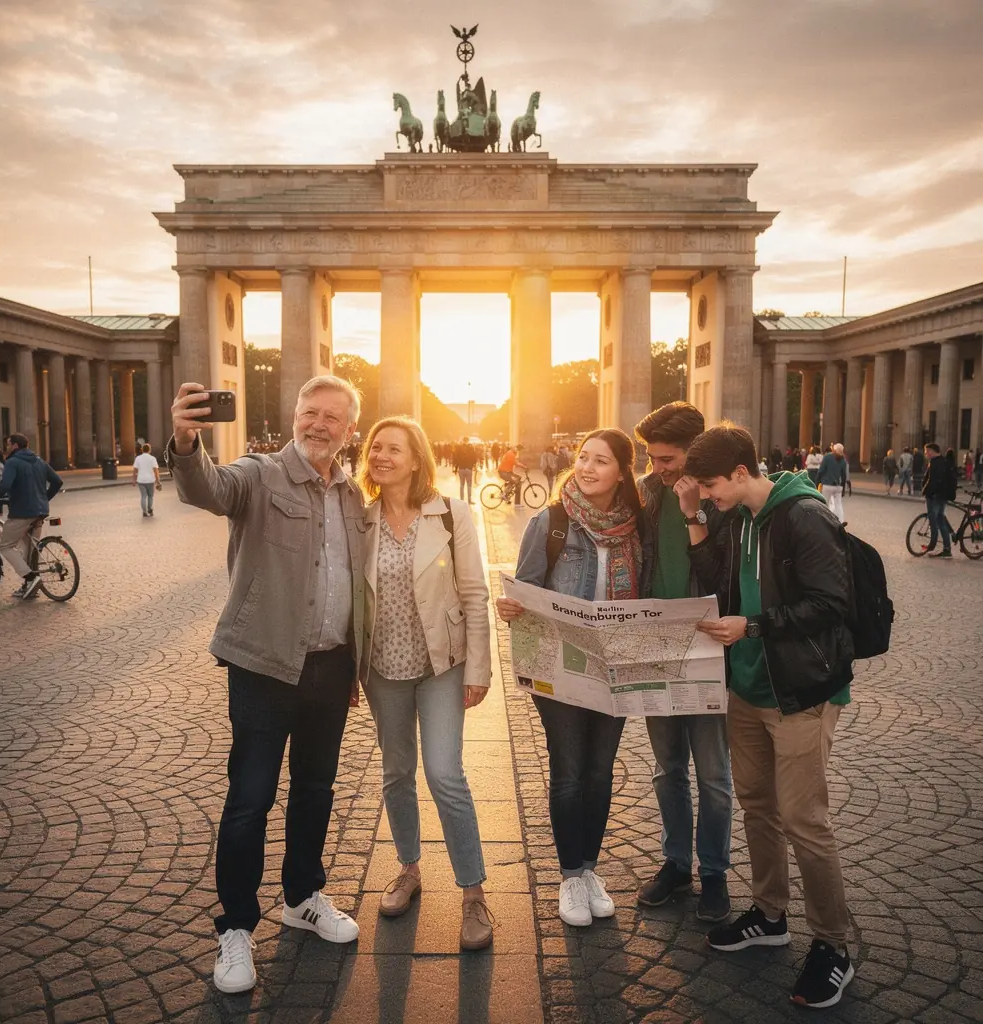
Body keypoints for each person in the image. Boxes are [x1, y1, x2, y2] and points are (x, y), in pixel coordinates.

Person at [167, 376, 366, 995]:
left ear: (349, 429)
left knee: (315, 789)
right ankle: (235, 928)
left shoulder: (354, 495)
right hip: (264, 664)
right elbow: (205, 486)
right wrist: (184, 436)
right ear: (295, 414)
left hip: (332, 666)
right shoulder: (257, 474)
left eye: (333, 417)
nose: (319, 424)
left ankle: (303, 896)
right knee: (250, 799)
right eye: (311, 412)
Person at [686, 424, 855, 1011]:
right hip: (747, 689)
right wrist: (693, 516)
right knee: (757, 806)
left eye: (710, 486)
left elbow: (835, 604)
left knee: (806, 821)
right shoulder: (737, 518)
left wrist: (753, 627)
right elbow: (714, 582)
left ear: (740, 472)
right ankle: (769, 913)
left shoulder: (804, 514)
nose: (708, 494)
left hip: (801, 692)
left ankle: (834, 946)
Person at [496, 429, 652, 928]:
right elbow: (527, 585)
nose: (586, 468)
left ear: (622, 472)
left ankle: (589, 870)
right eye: (583, 458)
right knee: (568, 770)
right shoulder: (553, 521)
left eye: (600, 461)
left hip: (616, 665)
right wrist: (512, 606)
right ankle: (568, 876)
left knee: (599, 772)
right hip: (561, 666)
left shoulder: (638, 527)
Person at [358, 417, 494, 949]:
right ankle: (409, 869)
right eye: (376, 447)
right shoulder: (361, 518)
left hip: (442, 665)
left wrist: (479, 669)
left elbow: (476, 595)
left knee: (444, 774)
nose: (382, 456)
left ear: (417, 459)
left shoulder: (451, 514)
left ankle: (474, 893)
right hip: (382, 668)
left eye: (395, 448)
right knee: (396, 773)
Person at [633, 403, 733, 923]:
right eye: (651, 458)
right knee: (667, 767)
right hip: (655, 641)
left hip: (708, 643)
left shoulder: (720, 499)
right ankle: (676, 863)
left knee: (714, 773)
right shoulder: (648, 492)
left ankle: (714, 871)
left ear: (694, 450)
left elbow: (721, 579)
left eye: (667, 458)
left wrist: (695, 510)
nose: (658, 468)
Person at [0, 433, 63, 600]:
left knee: (6, 545)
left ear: (15, 446)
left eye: (8, 444)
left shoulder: (13, 462)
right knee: (29, 548)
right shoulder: (39, 460)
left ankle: (31, 577)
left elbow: (5, 485)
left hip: (22, 512)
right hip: (40, 511)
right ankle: (29, 586)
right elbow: (57, 481)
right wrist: (44, 498)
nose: (6, 448)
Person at [922, 441, 957, 558]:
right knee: (940, 520)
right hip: (942, 496)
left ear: (931, 452)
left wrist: (925, 492)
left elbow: (933, 481)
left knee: (934, 520)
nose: (925, 453)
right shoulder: (944, 462)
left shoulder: (935, 463)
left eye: (926, 451)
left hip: (935, 496)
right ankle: (947, 549)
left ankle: (932, 546)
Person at [815, 443, 848, 520]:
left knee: (825, 503)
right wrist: (843, 488)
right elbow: (844, 475)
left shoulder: (827, 457)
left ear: (834, 449)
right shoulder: (843, 460)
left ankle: (825, 519)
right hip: (838, 486)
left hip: (827, 484)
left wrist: (817, 482)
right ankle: (840, 520)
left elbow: (821, 471)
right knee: (838, 504)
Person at [132, 443, 161, 517]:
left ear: (142, 450)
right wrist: (158, 481)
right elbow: (156, 470)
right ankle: (150, 509)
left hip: (141, 480)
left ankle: (144, 511)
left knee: (143, 496)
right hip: (150, 480)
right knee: (150, 496)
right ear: (149, 450)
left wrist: (134, 480)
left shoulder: (138, 458)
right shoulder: (152, 458)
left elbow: (135, 470)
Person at [452, 436, 477, 504]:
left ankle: (461, 501)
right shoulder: (471, 448)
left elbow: (455, 458)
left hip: (461, 468)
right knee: (469, 485)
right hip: (469, 468)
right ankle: (469, 500)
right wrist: (473, 465)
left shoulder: (458, 448)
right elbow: (474, 457)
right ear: (468, 441)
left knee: (461, 485)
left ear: (463, 440)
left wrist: (455, 467)